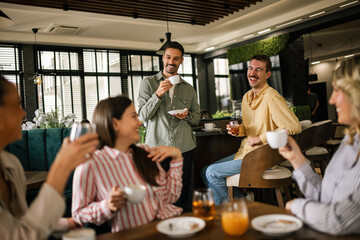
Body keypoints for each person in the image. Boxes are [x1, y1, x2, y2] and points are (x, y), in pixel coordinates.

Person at [0, 76, 99, 240]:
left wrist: (68, 223)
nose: (23, 112)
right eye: (17, 104)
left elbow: (23, 223)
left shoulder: (10, 165)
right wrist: (61, 166)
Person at [72, 96, 183, 232]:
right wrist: (107, 206)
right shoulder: (91, 164)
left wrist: (177, 157)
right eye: (134, 116)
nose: (140, 123)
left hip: (171, 226)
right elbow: (78, 214)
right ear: (115, 124)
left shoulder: (145, 152)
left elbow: (171, 197)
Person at [201, 54, 302, 205]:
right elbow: (249, 129)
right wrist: (239, 131)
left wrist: (261, 139)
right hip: (245, 153)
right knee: (205, 171)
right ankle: (235, 206)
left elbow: (294, 126)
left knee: (212, 173)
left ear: (268, 74)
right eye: (251, 68)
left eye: (259, 70)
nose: (252, 73)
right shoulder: (246, 97)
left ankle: (241, 206)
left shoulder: (272, 97)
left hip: (262, 156)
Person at [279, 56, 360, 235]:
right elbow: (325, 198)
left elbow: (336, 220)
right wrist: (297, 159)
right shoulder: (350, 141)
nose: (331, 100)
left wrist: (298, 206)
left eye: (337, 90)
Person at [137, 41, 200, 211]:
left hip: (184, 148)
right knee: (158, 195)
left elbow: (197, 119)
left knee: (182, 195)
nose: (171, 62)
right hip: (157, 149)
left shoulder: (189, 89)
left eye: (176, 58)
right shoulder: (148, 83)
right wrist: (157, 94)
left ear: (181, 61)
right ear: (163, 58)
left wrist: (187, 116)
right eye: (168, 57)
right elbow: (142, 116)